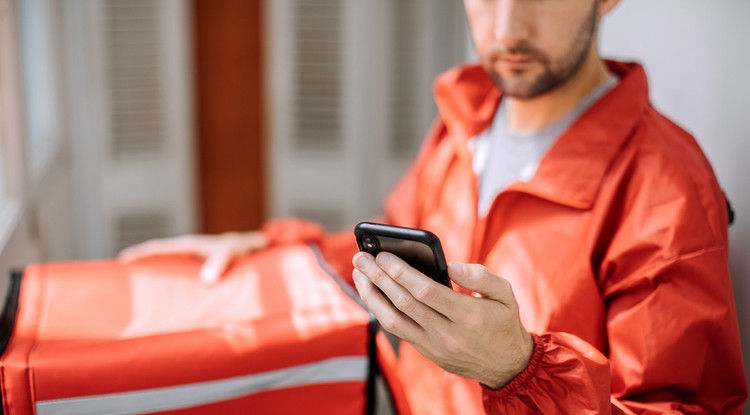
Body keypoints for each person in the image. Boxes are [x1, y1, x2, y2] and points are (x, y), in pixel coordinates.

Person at [121, 0, 748, 413]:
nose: (505, 28)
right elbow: (396, 254)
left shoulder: (667, 190)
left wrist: (520, 370)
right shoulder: (466, 119)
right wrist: (271, 249)